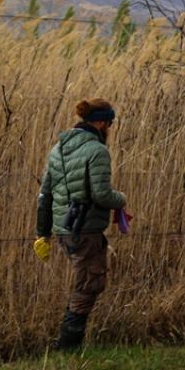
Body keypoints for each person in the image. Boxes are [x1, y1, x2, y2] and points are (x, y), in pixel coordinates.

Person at [35, 98, 127, 350]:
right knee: (89, 283)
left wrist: (42, 233)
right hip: (85, 229)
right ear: (102, 123)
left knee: (86, 281)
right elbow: (101, 195)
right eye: (110, 123)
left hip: (63, 230)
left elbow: (45, 195)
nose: (110, 129)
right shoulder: (97, 150)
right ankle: (67, 345)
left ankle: (69, 343)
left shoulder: (58, 149)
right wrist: (121, 199)